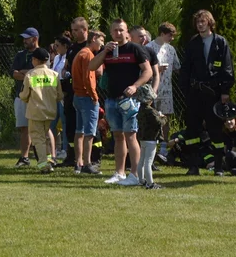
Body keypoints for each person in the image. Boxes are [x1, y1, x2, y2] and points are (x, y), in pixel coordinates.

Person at [88, 19, 152, 187]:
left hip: (130, 100)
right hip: (111, 99)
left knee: (131, 135)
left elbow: (148, 71)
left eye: (121, 30)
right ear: (111, 33)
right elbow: (92, 66)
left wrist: (135, 86)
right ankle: (119, 173)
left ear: (127, 32)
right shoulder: (108, 50)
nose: (118, 33)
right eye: (115, 30)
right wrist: (103, 52)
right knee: (117, 136)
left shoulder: (135, 49)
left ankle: (135, 174)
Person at [181, 9, 235, 176]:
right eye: (198, 22)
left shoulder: (220, 42)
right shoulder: (193, 43)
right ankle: (193, 166)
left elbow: (227, 68)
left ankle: (219, 166)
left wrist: (225, 91)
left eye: (203, 21)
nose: (200, 24)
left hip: (214, 93)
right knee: (192, 130)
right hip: (195, 93)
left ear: (209, 23)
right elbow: (186, 70)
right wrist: (186, 91)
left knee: (216, 131)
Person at [20, 47, 62, 174]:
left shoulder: (31, 74)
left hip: (35, 111)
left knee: (37, 138)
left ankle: (43, 164)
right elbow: (59, 95)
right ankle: (49, 160)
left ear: (35, 60)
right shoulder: (54, 75)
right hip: (50, 111)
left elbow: (24, 94)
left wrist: (24, 97)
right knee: (46, 137)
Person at [71, 30, 104, 175]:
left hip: (77, 96)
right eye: (101, 41)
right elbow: (88, 78)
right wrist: (94, 96)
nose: (102, 44)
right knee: (89, 133)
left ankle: (78, 162)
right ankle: (87, 163)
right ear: (94, 38)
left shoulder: (81, 52)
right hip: (86, 97)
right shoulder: (88, 55)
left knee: (80, 131)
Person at [60, 17, 90, 167]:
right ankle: (71, 157)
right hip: (72, 91)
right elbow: (67, 65)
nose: (74, 33)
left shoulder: (90, 46)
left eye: (76, 30)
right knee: (71, 126)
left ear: (85, 30)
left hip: (87, 91)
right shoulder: (71, 48)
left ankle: (93, 158)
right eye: (72, 30)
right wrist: (65, 71)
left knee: (89, 127)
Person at [11, 28, 39, 167]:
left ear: (35, 39)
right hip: (21, 95)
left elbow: (40, 72)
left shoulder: (41, 54)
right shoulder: (20, 55)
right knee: (24, 127)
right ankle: (24, 157)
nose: (24, 41)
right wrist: (28, 74)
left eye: (27, 38)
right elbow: (14, 73)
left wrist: (25, 73)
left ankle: (44, 156)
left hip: (38, 97)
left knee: (41, 127)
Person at [151, 23, 180, 160]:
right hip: (152, 89)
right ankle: (151, 147)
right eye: (170, 35)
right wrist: (156, 70)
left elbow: (177, 67)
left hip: (167, 89)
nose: (172, 38)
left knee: (165, 119)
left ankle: (163, 148)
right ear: (162, 33)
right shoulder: (149, 48)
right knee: (151, 119)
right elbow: (142, 70)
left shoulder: (171, 49)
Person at [136, 84, 166, 190]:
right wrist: (163, 118)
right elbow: (158, 123)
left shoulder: (140, 110)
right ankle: (150, 183)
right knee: (148, 162)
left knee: (142, 160)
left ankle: (141, 180)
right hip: (151, 139)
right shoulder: (151, 111)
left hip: (142, 138)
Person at [50, 36, 70, 160]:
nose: (55, 48)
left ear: (65, 46)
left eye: (57, 45)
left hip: (64, 92)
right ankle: (53, 149)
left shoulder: (68, 57)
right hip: (54, 91)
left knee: (64, 122)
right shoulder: (57, 57)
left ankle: (65, 148)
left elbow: (66, 74)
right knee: (52, 121)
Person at [130, 26, 161, 94]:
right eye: (140, 36)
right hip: (129, 92)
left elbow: (156, 74)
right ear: (130, 37)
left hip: (145, 93)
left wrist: (153, 92)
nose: (144, 38)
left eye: (145, 36)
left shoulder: (149, 51)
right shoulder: (126, 51)